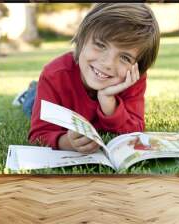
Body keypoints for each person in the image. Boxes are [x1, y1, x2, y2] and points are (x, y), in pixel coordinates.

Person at [28, 3, 160, 154]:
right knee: (30, 103)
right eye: (100, 45)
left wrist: (109, 102)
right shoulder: (54, 75)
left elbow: (135, 130)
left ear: (138, 66)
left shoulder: (132, 79)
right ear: (82, 39)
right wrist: (67, 142)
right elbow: (38, 135)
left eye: (125, 57)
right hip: (46, 91)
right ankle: (31, 91)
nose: (108, 63)